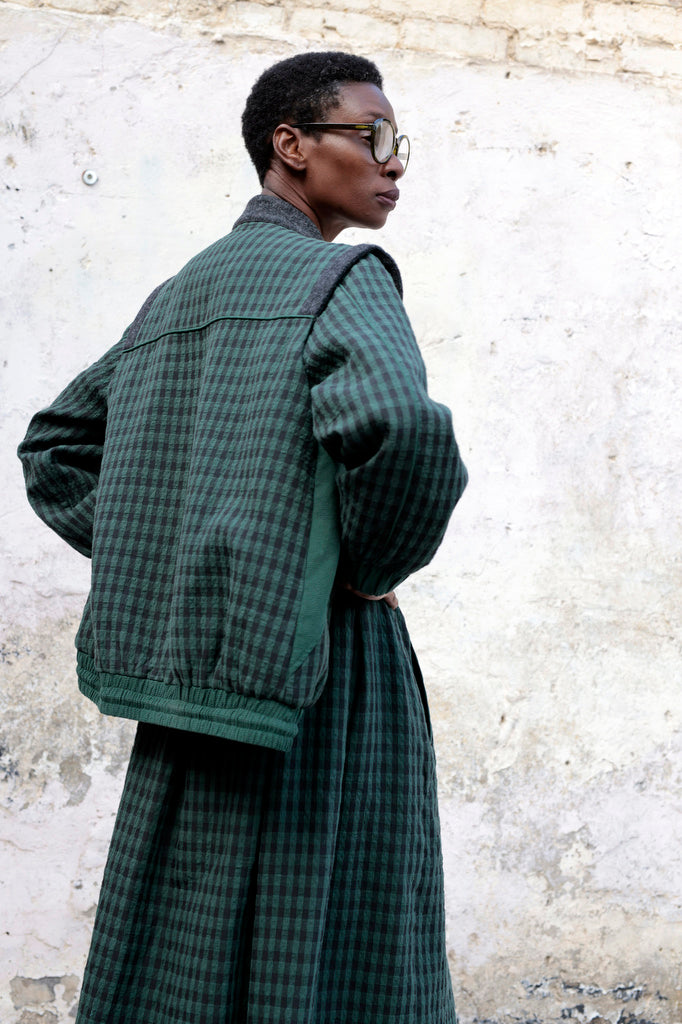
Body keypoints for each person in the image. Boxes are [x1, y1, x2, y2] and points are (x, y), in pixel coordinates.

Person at [18, 50, 468, 1024]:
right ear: (291, 146)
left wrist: (177, 558)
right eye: (372, 136)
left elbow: (54, 448)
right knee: (343, 921)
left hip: (194, 677)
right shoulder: (340, 279)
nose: (394, 164)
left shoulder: (176, 298)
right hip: (325, 664)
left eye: (401, 146)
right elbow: (403, 429)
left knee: (188, 931)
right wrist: (360, 568)